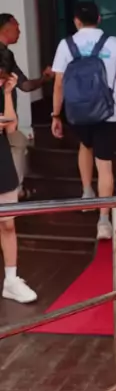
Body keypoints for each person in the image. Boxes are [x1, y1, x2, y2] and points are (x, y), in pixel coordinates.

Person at [51, 2, 116, 241]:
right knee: (105, 164)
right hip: (107, 113)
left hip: (77, 112)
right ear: (99, 18)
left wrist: (56, 115)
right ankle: (103, 221)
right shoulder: (114, 43)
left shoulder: (66, 45)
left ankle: (87, 192)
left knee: (85, 145)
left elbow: (58, 84)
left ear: (76, 21)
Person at [0, 13, 54, 197]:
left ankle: (15, 189)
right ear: (6, 29)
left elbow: (24, 85)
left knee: (18, 142)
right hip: (4, 118)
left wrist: (44, 79)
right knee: (17, 144)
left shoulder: (8, 54)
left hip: (7, 118)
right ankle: (15, 189)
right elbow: (21, 84)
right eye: (17, 27)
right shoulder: (4, 55)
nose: (20, 31)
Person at [0, 51, 37, 304]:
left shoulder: (3, 89)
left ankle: (11, 280)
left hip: (2, 161)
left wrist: (7, 93)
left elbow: (12, 126)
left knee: (8, 223)